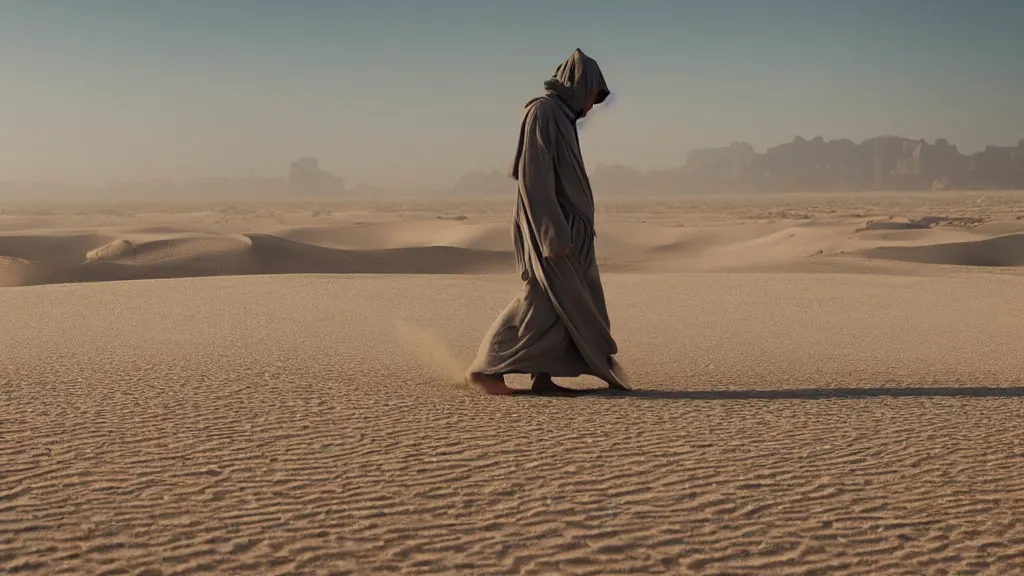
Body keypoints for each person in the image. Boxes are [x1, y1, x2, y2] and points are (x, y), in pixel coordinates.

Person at [466, 48, 629, 396]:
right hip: (549, 229)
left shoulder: (563, 118)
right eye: (591, 97)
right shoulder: (542, 112)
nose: (591, 108)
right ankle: (486, 370)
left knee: (568, 304)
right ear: (579, 86)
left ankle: (543, 376)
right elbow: (534, 177)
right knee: (539, 298)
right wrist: (551, 232)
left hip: (570, 232)